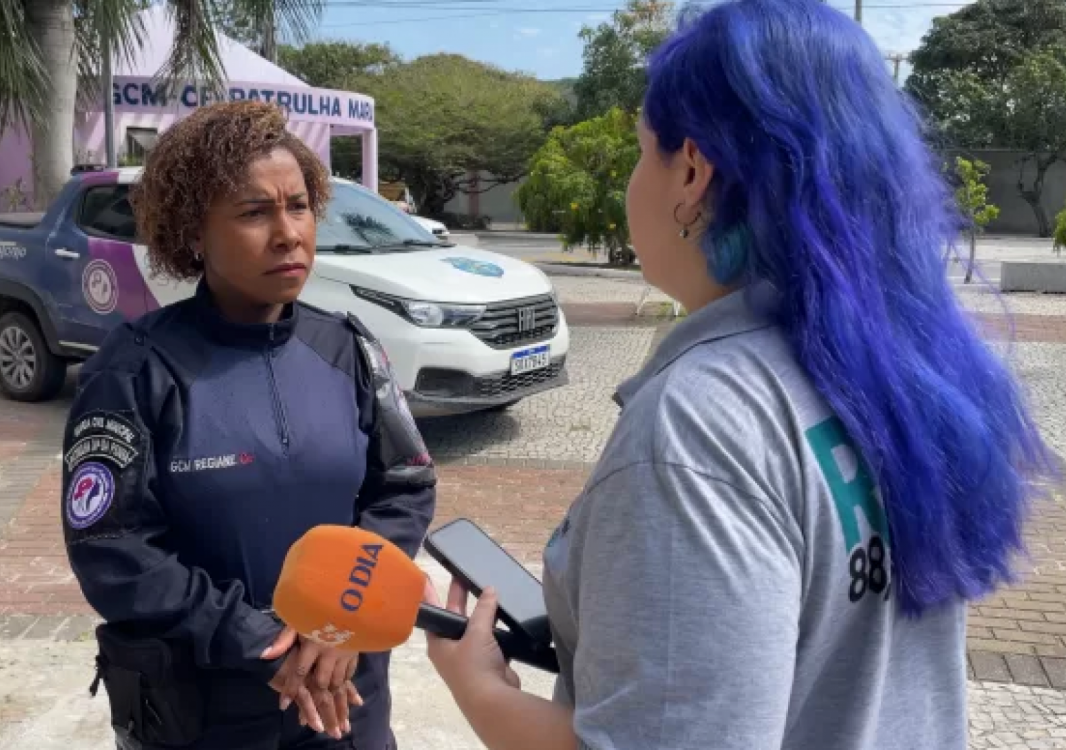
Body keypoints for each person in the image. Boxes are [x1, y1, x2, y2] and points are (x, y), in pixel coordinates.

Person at [421, 1, 1058, 748]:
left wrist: (480, 689)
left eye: (640, 152)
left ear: (692, 172)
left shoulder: (701, 425)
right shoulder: (904, 372)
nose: (632, 182)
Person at [60, 100, 436, 750]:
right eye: (254, 212)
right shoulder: (136, 371)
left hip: (346, 698)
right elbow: (112, 547)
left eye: (299, 206)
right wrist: (259, 639)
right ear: (193, 233)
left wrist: (343, 618)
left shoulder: (348, 349)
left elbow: (404, 487)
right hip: (204, 712)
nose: (288, 233)